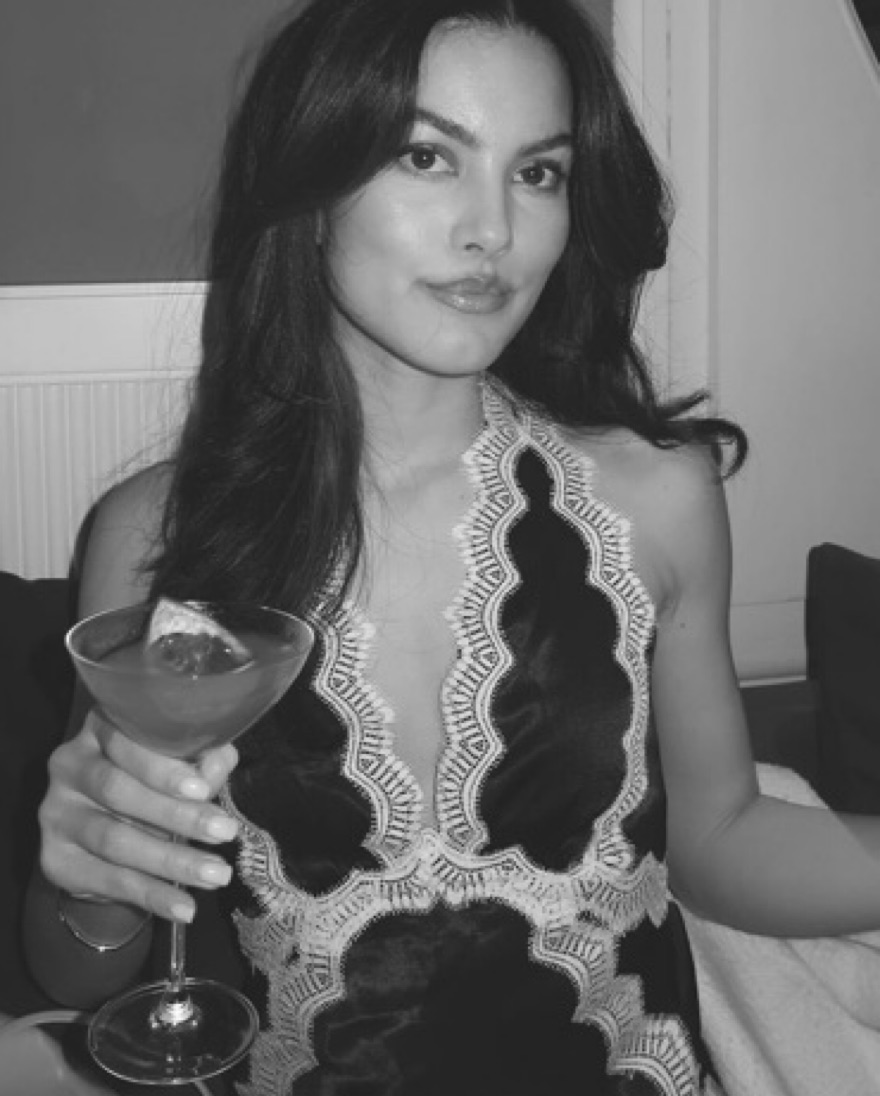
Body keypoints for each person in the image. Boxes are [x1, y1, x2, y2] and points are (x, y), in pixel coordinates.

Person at [23, 0, 880, 1093]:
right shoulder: (157, 542)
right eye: (427, 156)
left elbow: (721, 841)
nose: (493, 230)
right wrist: (89, 878)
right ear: (312, 182)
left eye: (539, 172)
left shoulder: (657, 499)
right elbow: (87, 975)